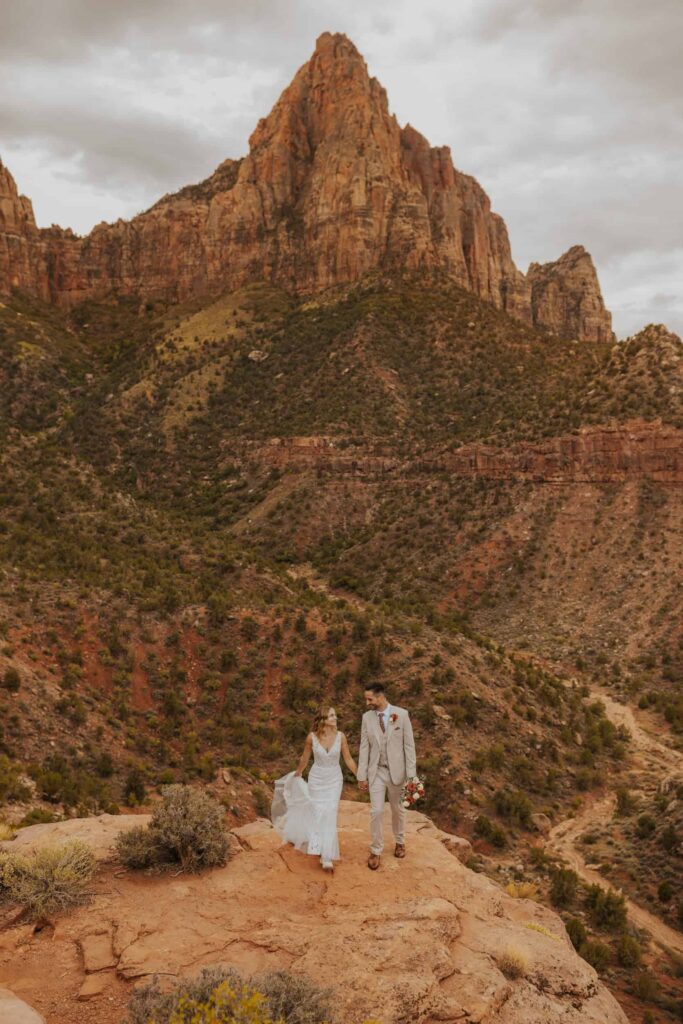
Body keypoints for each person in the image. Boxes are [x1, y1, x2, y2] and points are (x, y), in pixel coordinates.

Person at [271, 706, 357, 873]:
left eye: (335, 715)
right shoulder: (311, 737)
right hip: (316, 779)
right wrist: (297, 773)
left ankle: (326, 856)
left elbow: (348, 759)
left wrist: (360, 776)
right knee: (317, 812)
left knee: (330, 812)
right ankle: (316, 843)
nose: (335, 718)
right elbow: (305, 758)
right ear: (323, 719)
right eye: (332, 715)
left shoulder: (341, 737)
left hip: (334, 779)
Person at [357, 682, 417, 870]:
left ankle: (400, 841)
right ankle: (376, 850)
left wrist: (411, 776)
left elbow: (409, 747)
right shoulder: (367, 718)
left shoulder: (401, 715)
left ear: (381, 697)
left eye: (370, 699)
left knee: (397, 810)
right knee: (376, 811)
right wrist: (362, 775)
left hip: (397, 773)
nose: (367, 703)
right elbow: (364, 747)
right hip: (377, 772)